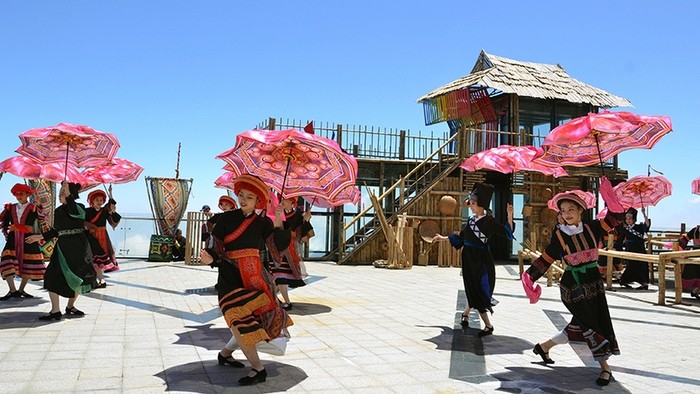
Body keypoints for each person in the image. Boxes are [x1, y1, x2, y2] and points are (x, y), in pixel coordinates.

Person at [523, 177, 624, 386]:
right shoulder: (560, 236)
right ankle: (605, 369)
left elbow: (616, 218)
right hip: (573, 286)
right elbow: (546, 258)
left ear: (580, 211)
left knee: (580, 325)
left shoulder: (593, 228)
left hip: (594, 283)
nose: (567, 214)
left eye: (571, 209)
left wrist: (609, 196)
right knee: (591, 325)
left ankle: (543, 347)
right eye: (563, 210)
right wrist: (530, 277)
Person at [199, 174, 292, 386]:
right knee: (238, 319)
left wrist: (278, 218)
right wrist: (210, 258)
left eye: (249, 197)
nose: (243, 199)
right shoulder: (225, 219)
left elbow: (277, 248)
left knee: (245, 322)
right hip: (229, 278)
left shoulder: (263, 222)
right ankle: (258, 369)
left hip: (255, 278)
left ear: (258, 201)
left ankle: (224, 354)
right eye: (241, 195)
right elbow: (216, 246)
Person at [432, 183, 514, 336]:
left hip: (481, 261)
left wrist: (509, 214)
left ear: (481, 204)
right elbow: (462, 238)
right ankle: (466, 314)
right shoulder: (470, 221)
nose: (470, 205)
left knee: (478, 290)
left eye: (474, 203)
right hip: (468, 259)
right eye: (470, 202)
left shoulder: (489, 221)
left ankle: (488, 326)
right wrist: (443, 238)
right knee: (472, 288)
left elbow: (507, 233)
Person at [29, 182, 97, 321]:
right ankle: (55, 310)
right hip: (62, 247)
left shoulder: (79, 208)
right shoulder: (58, 210)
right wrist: (41, 236)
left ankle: (70, 306)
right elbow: (56, 230)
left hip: (78, 247)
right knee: (51, 276)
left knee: (79, 277)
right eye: (60, 192)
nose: (61, 195)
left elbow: (74, 212)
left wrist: (67, 192)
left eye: (63, 193)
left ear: (70, 195)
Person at [0, 183, 46, 300]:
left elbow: (42, 218)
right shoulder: (10, 208)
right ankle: (12, 290)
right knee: (6, 259)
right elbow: (4, 223)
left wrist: (39, 204)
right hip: (13, 237)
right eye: (16, 194)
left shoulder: (34, 207)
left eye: (21, 193)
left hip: (28, 237)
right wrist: (6, 233)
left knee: (29, 262)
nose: (18, 196)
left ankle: (21, 290)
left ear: (27, 194)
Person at [268, 196, 313, 310]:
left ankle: (284, 300)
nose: (282, 201)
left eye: (285, 199)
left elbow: (303, 236)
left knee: (281, 275)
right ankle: (276, 299)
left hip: (289, 248)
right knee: (275, 275)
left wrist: (306, 220)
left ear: (292, 202)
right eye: (281, 198)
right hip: (275, 246)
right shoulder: (275, 213)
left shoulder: (297, 216)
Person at [84, 188, 121, 288]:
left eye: (101, 200)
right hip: (91, 236)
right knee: (94, 258)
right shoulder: (86, 211)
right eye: (97, 200)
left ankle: (99, 280)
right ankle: (98, 279)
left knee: (98, 258)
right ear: (92, 201)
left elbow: (112, 214)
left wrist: (110, 193)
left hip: (103, 237)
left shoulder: (104, 211)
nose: (99, 202)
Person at [616, 207, 651, 290]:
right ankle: (624, 281)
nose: (628, 220)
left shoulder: (639, 227)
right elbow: (620, 239)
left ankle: (644, 283)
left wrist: (644, 213)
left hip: (639, 249)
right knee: (630, 265)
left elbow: (647, 225)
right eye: (627, 218)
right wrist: (615, 247)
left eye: (630, 218)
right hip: (630, 249)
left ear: (634, 219)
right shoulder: (625, 229)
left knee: (641, 265)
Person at [676, 225, 700, 299]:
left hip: (694, 253)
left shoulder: (696, 229)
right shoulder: (696, 229)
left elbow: (684, 239)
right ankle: (694, 292)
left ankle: (695, 292)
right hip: (696, 254)